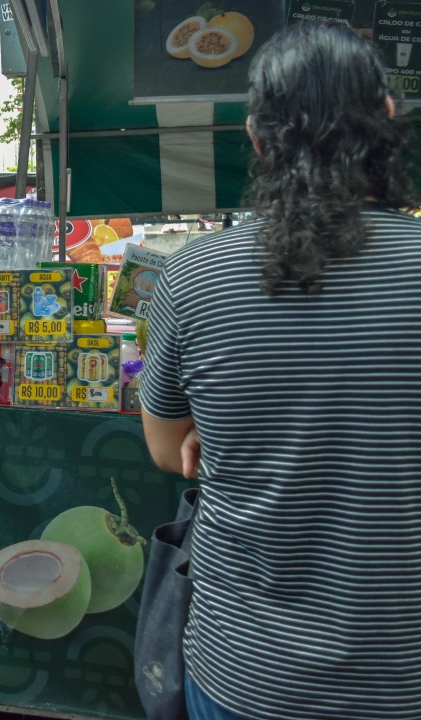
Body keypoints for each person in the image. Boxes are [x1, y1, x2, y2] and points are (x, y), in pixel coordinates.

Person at [140, 21, 421, 720]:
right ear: (387, 120)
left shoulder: (195, 275)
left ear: (258, 138)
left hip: (246, 674)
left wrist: (225, 436)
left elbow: (165, 446)